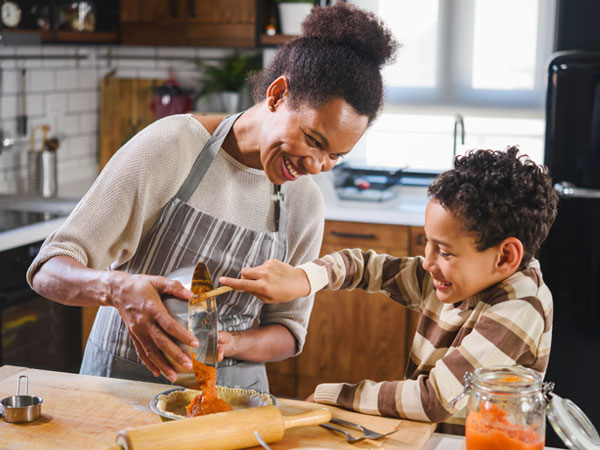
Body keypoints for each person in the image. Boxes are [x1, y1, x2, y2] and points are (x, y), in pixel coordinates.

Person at [26, 3, 398, 391]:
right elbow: (48, 269)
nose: (318, 165)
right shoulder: (174, 146)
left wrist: (232, 343)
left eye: (335, 156)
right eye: (313, 140)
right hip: (122, 386)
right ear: (277, 95)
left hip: (233, 396)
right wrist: (116, 288)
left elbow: (288, 331)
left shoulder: (305, 203)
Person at [220, 146, 559, 420]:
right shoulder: (451, 279)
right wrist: (304, 279)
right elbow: (363, 266)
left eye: (444, 252)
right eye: (428, 244)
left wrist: (335, 396)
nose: (427, 262)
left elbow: (434, 399)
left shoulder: (519, 305)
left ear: (505, 257)